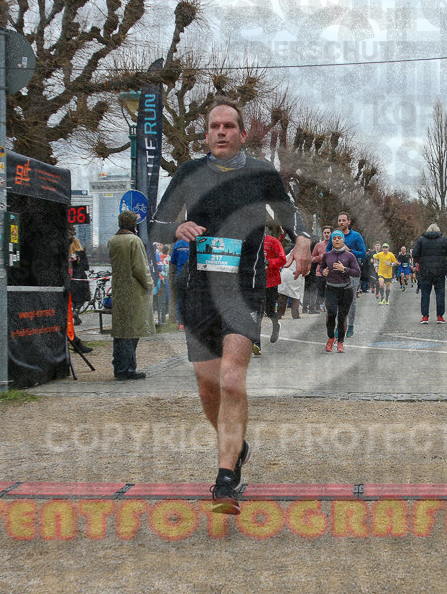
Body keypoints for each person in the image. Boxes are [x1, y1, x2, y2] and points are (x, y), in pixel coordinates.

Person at [149, 98, 311, 513]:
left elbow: (292, 214)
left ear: (241, 133)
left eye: (228, 126)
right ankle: (236, 447)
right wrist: (176, 227)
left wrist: (304, 240)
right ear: (206, 133)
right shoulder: (189, 172)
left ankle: (225, 479)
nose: (220, 132)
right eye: (213, 126)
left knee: (232, 379)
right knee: (208, 385)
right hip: (198, 290)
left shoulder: (260, 172)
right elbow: (157, 224)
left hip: (245, 287)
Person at [107, 211, 154, 381]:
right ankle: (127, 369)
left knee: (120, 331)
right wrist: (150, 285)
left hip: (119, 290)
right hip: (134, 291)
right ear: (134, 224)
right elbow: (140, 268)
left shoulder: (113, 240)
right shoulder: (134, 241)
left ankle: (119, 366)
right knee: (132, 330)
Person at [319, 230, 360, 353]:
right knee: (331, 315)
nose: (336, 240)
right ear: (332, 240)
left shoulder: (349, 256)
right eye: (334, 238)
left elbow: (357, 272)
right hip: (331, 289)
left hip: (345, 290)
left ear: (343, 240)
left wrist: (344, 269)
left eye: (339, 238)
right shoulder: (327, 255)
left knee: (342, 318)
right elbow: (321, 268)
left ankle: (340, 342)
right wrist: (323, 272)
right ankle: (331, 338)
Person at [412, 223, 447, 323]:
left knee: (425, 294)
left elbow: (415, 253)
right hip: (440, 270)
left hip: (425, 270)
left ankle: (425, 316)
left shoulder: (421, 240)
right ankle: (440, 316)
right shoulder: (443, 239)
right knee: (440, 294)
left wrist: (418, 262)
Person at [335, 212, 366, 337]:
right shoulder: (336, 236)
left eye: (343, 220)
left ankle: (351, 325)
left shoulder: (356, 236)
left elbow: (363, 253)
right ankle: (340, 325)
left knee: (351, 300)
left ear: (349, 222)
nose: (341, 222)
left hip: (352, 272)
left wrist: (350, 251)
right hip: (337, 272)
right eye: (339, 220)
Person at [261, 223, 286, 349]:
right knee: (257, 312)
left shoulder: (273, 241)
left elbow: (283, 260)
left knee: (270, 310)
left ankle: (276, 324)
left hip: (271, 281)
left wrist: (269, 262)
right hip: (255, 281)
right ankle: (256, 343)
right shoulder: (248, 242)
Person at [310, 226, 332, 312]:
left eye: (328, 233)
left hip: (332, 272)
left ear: (331, 233)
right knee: (320, 290)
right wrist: (320, 257)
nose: (326, 234)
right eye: (325, 233)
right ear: (322, 234)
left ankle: (329, 305)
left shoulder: (335, 244)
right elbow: (312, 258)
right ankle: (318, 305)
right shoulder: (318, 245)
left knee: (331, 290)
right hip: (320, 272)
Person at [170, 238, 190, 330]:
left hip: (180, 274)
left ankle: (180, 323)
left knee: (180, 299)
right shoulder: (196, 243)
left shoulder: (177, 245)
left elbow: (173, 260)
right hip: (192, 275)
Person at [277, 255, 304, 319]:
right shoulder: (304, 254)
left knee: (283, 295)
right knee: (295, 295)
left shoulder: (290, 254)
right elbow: (306, 270)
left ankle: (279, 314)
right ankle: (295, 314)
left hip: (286, 274)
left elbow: (283, 261)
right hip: (296, 274)